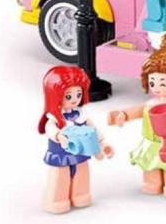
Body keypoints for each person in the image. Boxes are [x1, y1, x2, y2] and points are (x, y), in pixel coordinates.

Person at [108, 34, 166, 200]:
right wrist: (124, 115)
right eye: (152, 83)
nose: (156, 88)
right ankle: (153, 183)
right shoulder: (150, 104)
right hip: (151, 145)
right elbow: (139, 111)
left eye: (162, 83)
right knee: (150, 167)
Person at [39, 66, 113, 214]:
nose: (74, 99)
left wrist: (101, 143)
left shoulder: (80, 115)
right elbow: (49, 128)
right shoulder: (55, 117)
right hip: (61, 154)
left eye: (78, 94)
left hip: (80, 152)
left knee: (82, 173)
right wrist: (58, 136)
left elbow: (92, 129)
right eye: (69, 96)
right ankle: (57, 200)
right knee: (61, 176)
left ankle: (80, 196)